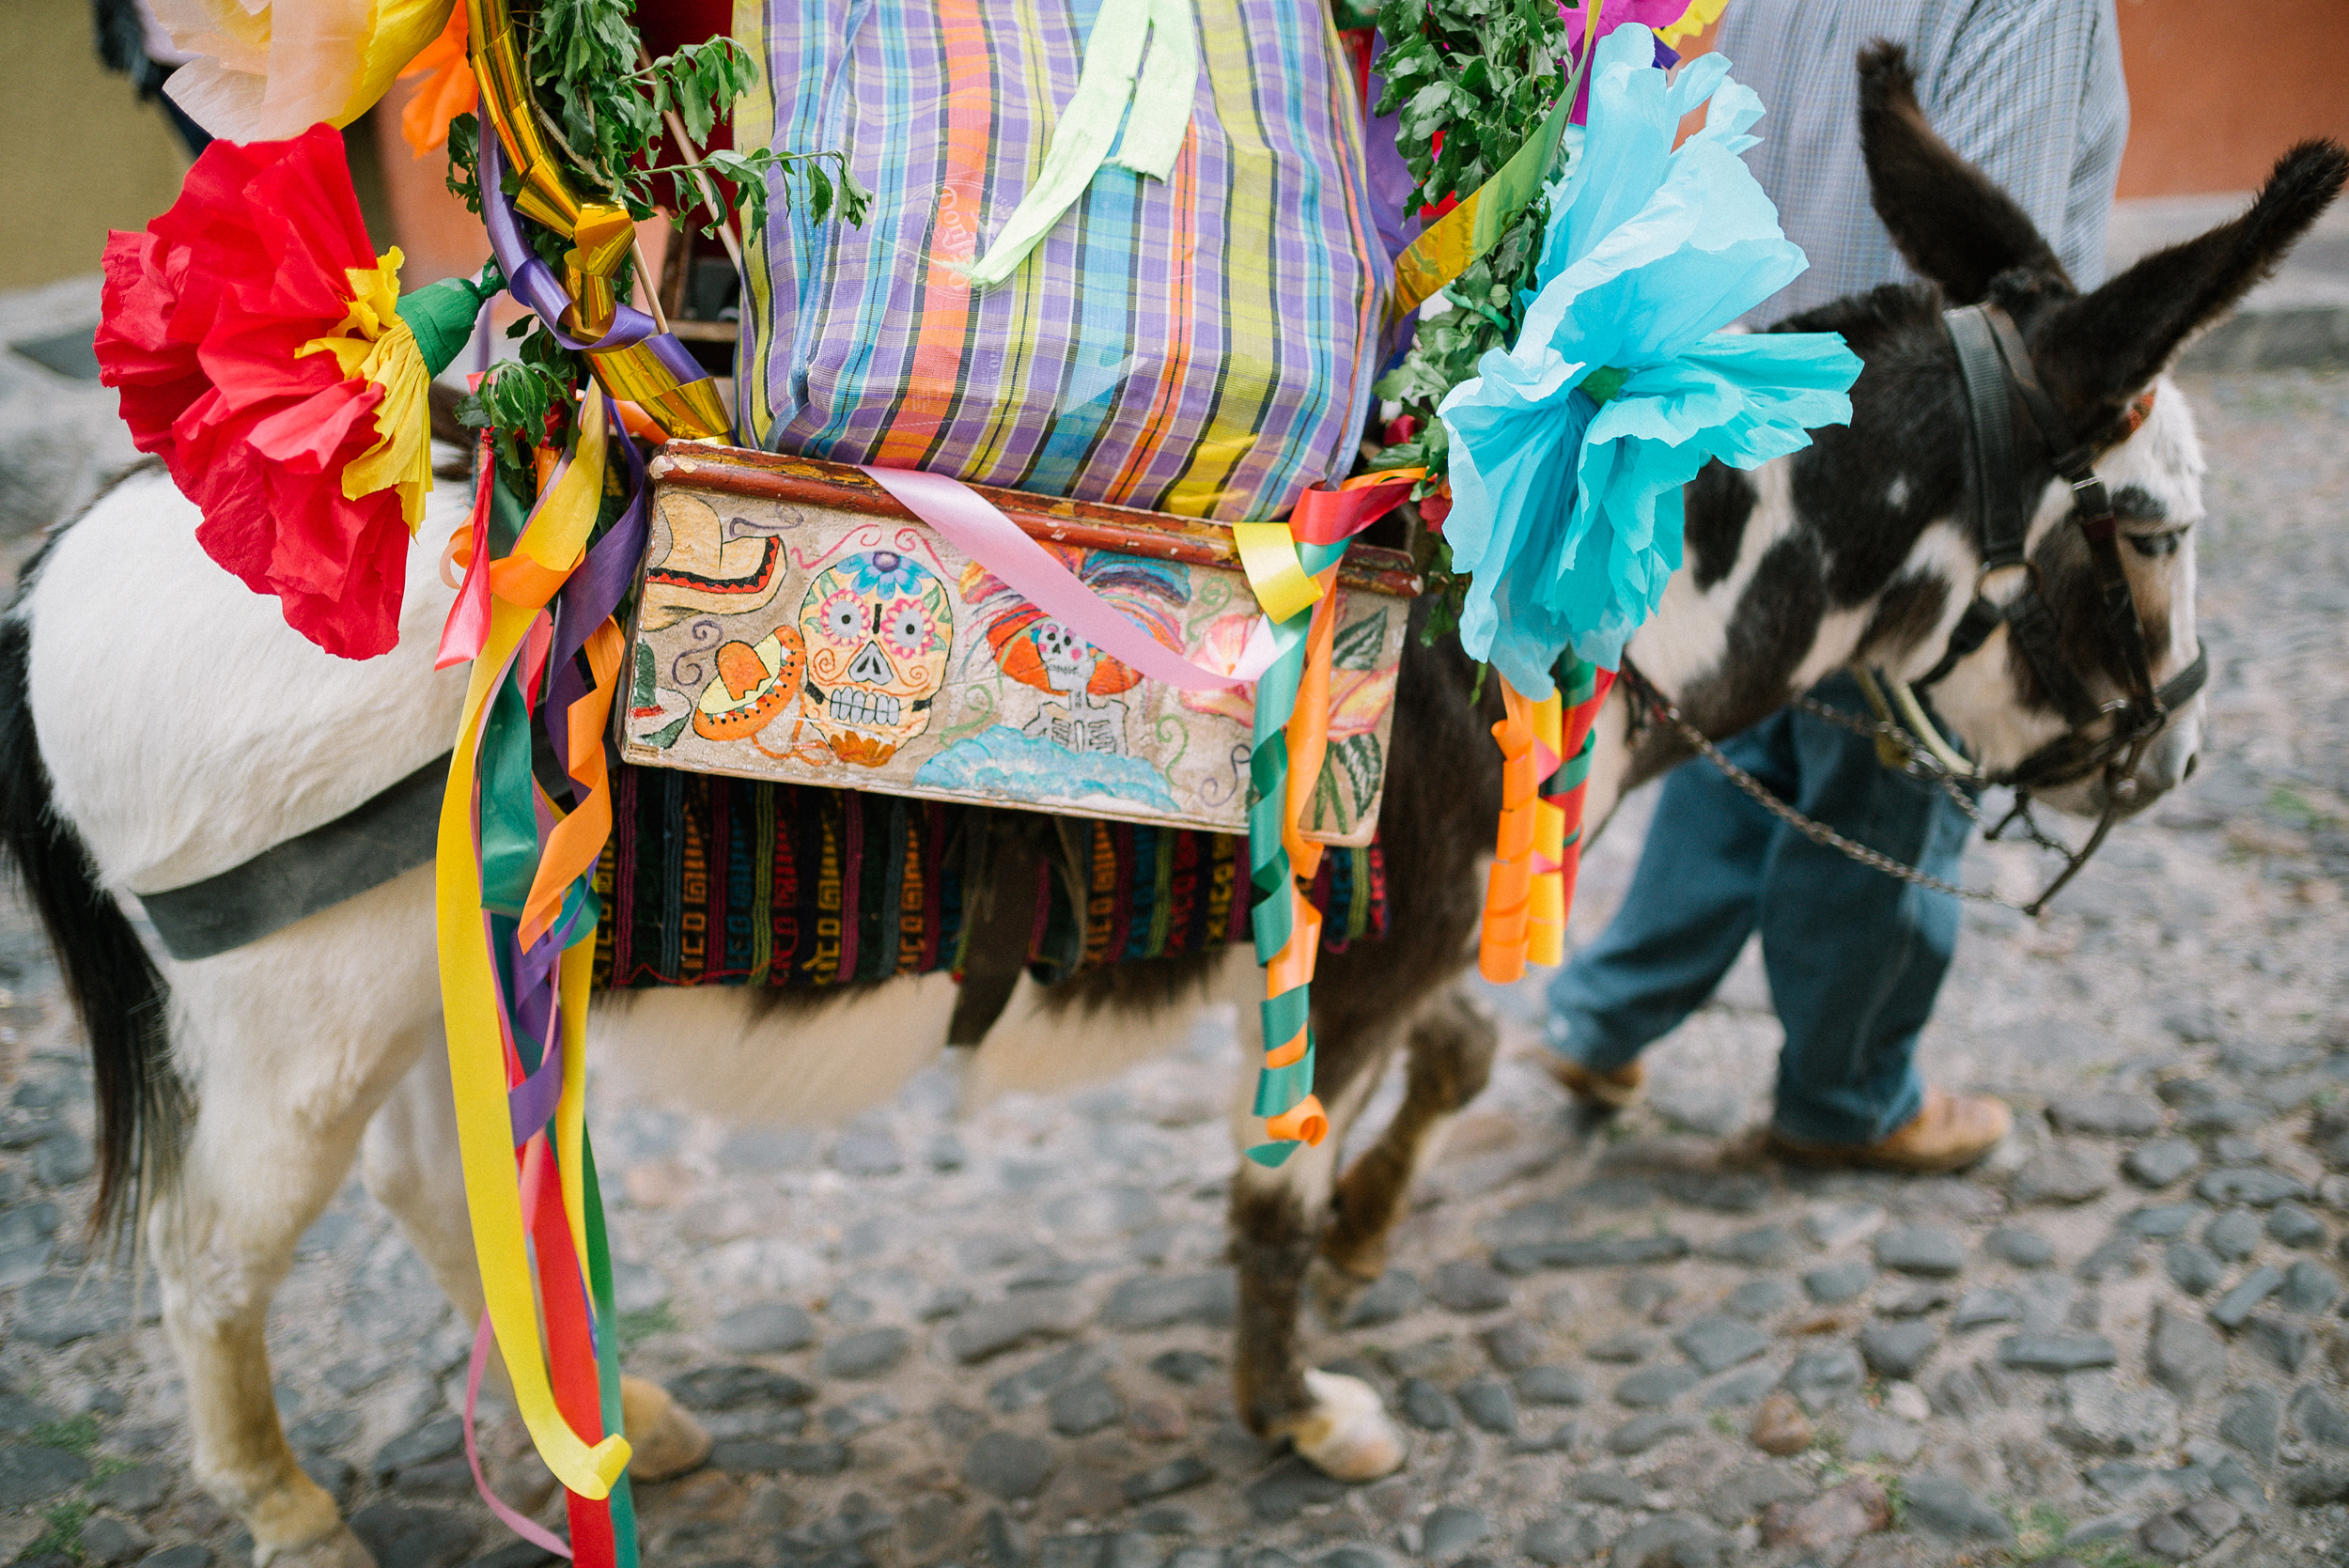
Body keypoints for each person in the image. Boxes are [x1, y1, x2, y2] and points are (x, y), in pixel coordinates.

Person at [1540, 0, 2129, 1172]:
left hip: (1744, 402)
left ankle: (1599, 1017)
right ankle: (1847, 1094)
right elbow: (1991, 277)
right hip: (1898, 464)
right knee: (1890, 776)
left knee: (1739, 730)